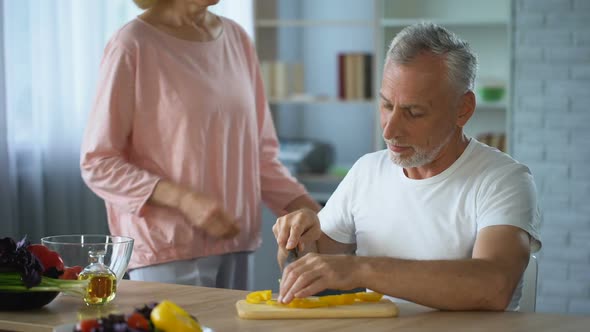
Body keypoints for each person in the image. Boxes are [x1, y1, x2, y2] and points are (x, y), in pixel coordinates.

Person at [273, 22, 541, 311]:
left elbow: (494, 287)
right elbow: (308, 263)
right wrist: (297, 239)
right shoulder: (367, 171)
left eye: (413, 113)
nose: (389, 131)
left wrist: (359, 269)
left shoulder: (504, 180)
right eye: (387, 106)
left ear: (463, 109)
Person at [80, 0, 320, 289]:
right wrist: (186, 200)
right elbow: (99, 163)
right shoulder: (132, 44)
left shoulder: (237, 38)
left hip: (237, 244)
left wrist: (318, 215)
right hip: (168, 250)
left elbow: (260, 157)